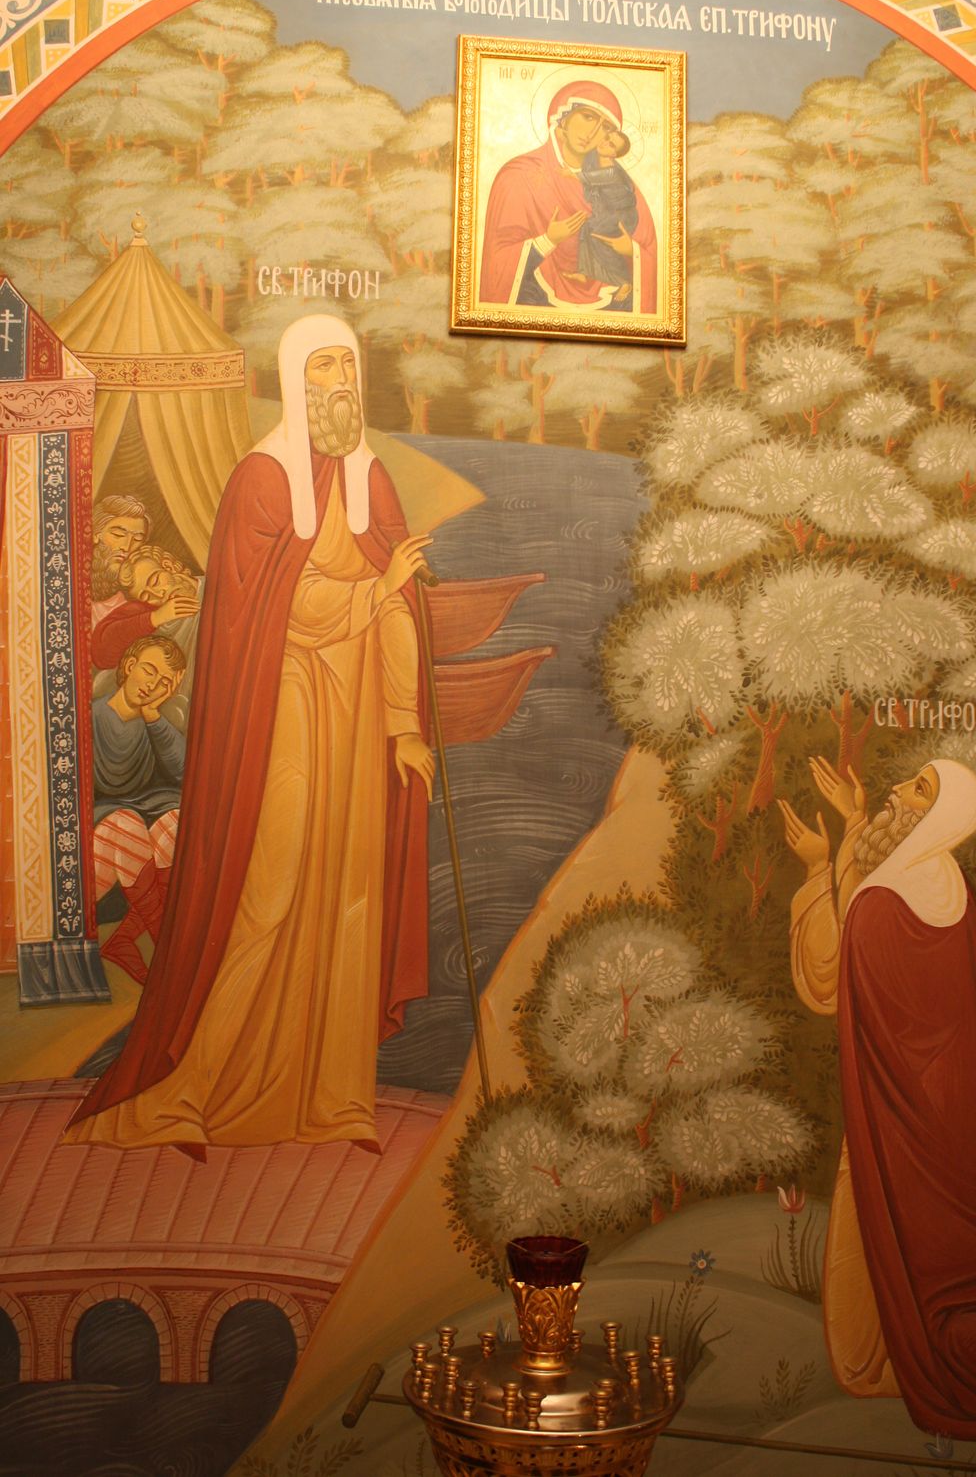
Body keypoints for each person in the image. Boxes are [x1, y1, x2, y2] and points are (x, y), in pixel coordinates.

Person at [67, 313, 435, 1154]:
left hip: (358, 720)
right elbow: (272, 612)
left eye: (348, 365)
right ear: (296, 380)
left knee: (350, 900)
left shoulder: (372, 482)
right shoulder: (261, 480)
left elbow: (399, 607)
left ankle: (334, 1098)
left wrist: (405, 725)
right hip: (284, 713)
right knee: (265, 893)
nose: (339, 382)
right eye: (323, 367)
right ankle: (185, 1092)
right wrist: (374, 594)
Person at [778, 757, 976, 1444]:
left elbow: (833, 977)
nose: (897, 789)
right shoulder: (948, 886)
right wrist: (854, 823)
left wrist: (816, 868)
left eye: (917, 788)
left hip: (908, 1127)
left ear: (938, 815)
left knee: (893, 1240)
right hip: (961, 1122)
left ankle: (899, 1366)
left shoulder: (888, 903)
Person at [478, 80, 657, 314]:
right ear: (564, 116)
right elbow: (497, 261)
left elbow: (650, 254)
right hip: (535, 298)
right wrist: (548, 240)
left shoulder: (621, 184)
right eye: (588, 117)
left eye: (605, 128)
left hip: (610, 300)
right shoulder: (519, 175)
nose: (592, 133)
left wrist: (630, 250)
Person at [92, 636, 186, 984]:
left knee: (177, 823)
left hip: (145, 818)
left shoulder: (155, 722)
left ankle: (125, 940)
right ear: (130, 666)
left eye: (163, 682)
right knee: (126, 823)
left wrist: (153, 716)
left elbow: (185, 773)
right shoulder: (92, 717)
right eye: (149, 671)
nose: (152, 684)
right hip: (105, 825)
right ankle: (169, 957)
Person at [92, 543, 203, 700]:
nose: (158, 594)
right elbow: (103, 652)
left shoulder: (217, 589)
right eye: (146, 596)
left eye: (155, 581)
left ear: (168, 566)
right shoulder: (161, 619)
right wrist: (155, 618)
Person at [575, 126, 638, 306]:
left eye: (611, 144)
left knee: (597, 235)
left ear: (614, 154)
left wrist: (569, 174)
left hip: (623, 216)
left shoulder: (612, 171)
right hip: (608, 214)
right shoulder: (593, 160)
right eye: (607, 138)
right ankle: (584, 272)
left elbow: (588, 178)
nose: (604, 143)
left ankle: (625, 281)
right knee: (586, 227)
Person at [90, 495, 150, 628]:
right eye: (118, 535)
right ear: (96, 534)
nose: (126, 547)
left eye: (137, 539)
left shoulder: (140, 597)